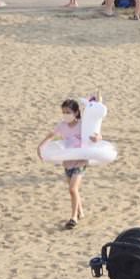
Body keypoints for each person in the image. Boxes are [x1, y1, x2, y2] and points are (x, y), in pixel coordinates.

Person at [37, 98, 100, 229]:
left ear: (76, 112)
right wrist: (40, 146)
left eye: (68, 112)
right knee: (74, 190)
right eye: (64, 112)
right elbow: (51, 135)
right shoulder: (62, 125)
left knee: (72, 189)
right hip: (68, 162)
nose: (66, 115)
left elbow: (97, 135)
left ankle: (73, 217)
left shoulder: (83, 124)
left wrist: (96, 138)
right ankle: (80, 212)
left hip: (80, 160)